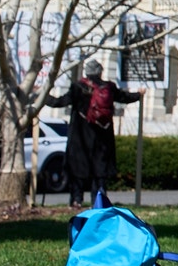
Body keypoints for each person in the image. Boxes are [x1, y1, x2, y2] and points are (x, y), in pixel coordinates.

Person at [42, 60, 141, 206]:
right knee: (100, 173)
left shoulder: (78, 87)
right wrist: (139, 94)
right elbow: (124, 98)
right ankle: (99, 202)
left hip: (80, 137)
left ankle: (76, 200)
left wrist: (42, 96)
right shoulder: (109, 88)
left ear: (86, 72)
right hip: (103, 137)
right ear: (100, 72)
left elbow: (60, 102)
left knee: (77, 170)